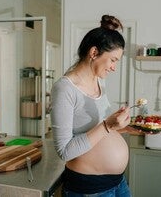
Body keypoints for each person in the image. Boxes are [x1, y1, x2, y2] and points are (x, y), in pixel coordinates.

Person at [51, 14, 132, 197]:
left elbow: (97, 130)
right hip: (90, 189)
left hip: (118, 183)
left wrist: (121, 126)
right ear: (94, 53)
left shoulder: (98, 81)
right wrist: (108, 125)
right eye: (113, 60)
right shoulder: (65, 89)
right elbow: (64, 151)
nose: (114, 68)